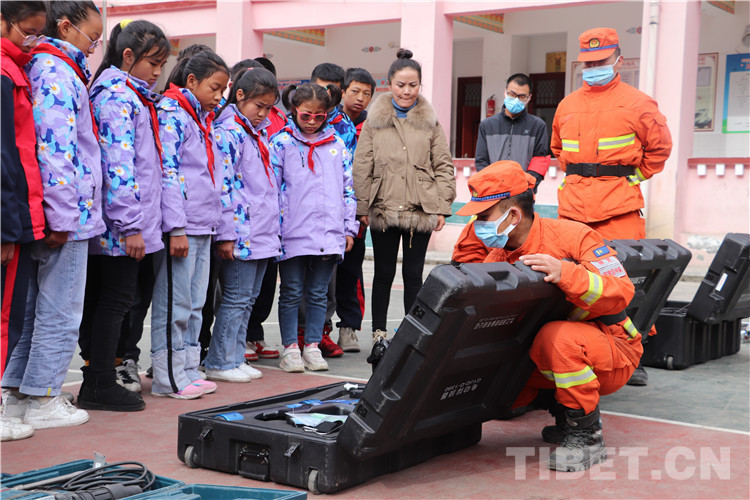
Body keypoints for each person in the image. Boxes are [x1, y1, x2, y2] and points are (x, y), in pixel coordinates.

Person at [455, 161, 640, 472]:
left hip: (613, 349)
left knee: (557, 338)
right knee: (502, 374)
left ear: (513, 215)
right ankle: (565, 414)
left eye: (483, 216)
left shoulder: (574, 236)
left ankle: (586, 434)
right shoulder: (497, 258)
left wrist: (566, 273)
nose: (477, 225)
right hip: (550, 351)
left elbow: (622, 291)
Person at [2, 0, 104, 430]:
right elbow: (56, 150)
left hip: (48, 211)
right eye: (92, 37)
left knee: (33, 309)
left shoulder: (41, 67)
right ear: (65, 27)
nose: (95, 46)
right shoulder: (58, 72)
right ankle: (44, 396)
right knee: (60, 310)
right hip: (66, 213)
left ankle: (18, 392)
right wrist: (63, 217)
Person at [551, 28, 672, 386]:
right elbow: (558, 150)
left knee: (628, 283)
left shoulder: (639, 103)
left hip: (618, 211)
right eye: (588, 63)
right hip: (573, 211)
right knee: (573, 286)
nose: (593, 68)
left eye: (600, 61)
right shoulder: (567, 105)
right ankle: (583, 349)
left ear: (619, 59)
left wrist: (630, 179)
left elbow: (659, 149)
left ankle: (634, 354)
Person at [77, 19, 170, 412]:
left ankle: (98, 379)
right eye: (153, 62)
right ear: (128, 56)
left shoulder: (126, 94)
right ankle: (99, 382)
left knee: (106, 300)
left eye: (162, 64)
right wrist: (132, 225)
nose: (158, 71)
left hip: (117, 220)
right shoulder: (118, 97)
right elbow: (119, 165)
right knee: (114, 301)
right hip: (120, 224)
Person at [352, 48, 456, 344]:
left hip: (419, 209)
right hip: (382, 208)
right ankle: (379, 335)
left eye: (413, 85)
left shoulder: (430, 122)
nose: (407, 91)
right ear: (390, 84)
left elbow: (443, 165)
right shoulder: (374, 121)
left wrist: (442, 207)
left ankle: (411, 336)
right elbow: (362, 165)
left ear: (420, 85)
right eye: (401, 85)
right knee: (383, 275)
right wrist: (362, 207)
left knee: (413, 276)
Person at [152, 50, 229, 399]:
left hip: (203, 223)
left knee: (197, 304)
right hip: (183, 226)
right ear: (193, 81)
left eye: (223, 90)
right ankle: (168, 377)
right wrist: (176, 228)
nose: (219, 96)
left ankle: (187, 369)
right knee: (176, 304)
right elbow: (168, 170)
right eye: (215, 88)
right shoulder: (173, 112)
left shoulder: (200, 117)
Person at [270, 82, 357, 372]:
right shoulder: (281, 143)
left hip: (328, 231)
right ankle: (290, 348)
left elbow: (347, 189)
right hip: (292, 230)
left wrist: (349, 228)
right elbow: (272, 189)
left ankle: (312, 346)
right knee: (291, 291)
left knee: (319, 293)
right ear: (294, 109)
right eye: (305, 115)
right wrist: (274, 228)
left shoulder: (336, 144)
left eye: (319, 116)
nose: (311, 122)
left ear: (327, 114)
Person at [204, 67, 281, 383]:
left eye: (268, 108)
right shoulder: (229, 133)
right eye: (258, 106)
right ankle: (219, 360)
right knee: (235, 298)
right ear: (239, 96)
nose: (263, 114)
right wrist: (226, 234)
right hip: (241, 232)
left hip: (260, 230)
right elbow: (224, 186)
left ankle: (234, 357)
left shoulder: (255, 133)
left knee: (248, 299)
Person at [0, 0, 46, 442]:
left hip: (16, 214)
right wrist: (6, 228)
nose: (32, 41)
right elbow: (4, 156)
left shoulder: (16, 69)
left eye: (38, 33)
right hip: (7, 218)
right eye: (26, 32)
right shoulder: (5, 72)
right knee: (3, 318)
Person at [453, 73, 550, 265]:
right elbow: (482, 162)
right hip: (490, 199)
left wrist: (523, 189)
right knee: (483, 245)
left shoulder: (537, 125)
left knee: (518, 245)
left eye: (522, 96)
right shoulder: (487, 125)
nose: (516, 99)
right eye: (512, 94)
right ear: (505, 92)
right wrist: (492, 191)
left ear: (529, 98)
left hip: (521, 199)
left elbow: (541, 160)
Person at [330, 67, 376, 353]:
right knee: (323, 274)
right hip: (326, 211)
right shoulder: (327, 121)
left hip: (357, 212)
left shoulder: (373, 127)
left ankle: (348, 329)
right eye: (355, 91)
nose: (360, 98)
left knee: (351, 271)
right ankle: (318, 329)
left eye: (367, 94)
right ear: (343, 91)